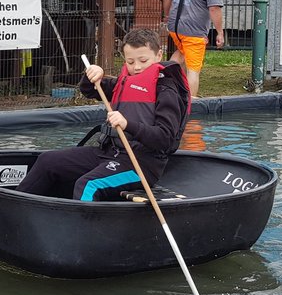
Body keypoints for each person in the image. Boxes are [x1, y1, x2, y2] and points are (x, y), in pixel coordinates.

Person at [15, 28, 191, 201]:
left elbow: (165, 139)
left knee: (88, 185)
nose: (136, 67)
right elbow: (88, 90)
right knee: (48, 161)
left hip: (141, 166)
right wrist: (93, 74)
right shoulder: (124, 82)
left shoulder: (167, 91)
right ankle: (16, 210)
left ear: (159, 55)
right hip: (108, 153)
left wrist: (127, 124)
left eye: (143, 60)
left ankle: (79, 229)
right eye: (130, 62)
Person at [164, 0, 226, 97]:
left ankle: (165, 85)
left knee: (180, 54)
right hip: (194, 32)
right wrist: (220, 32)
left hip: (175, 28)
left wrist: (167, 16)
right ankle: (190, 104)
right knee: (193, 70)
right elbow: (214, 8)